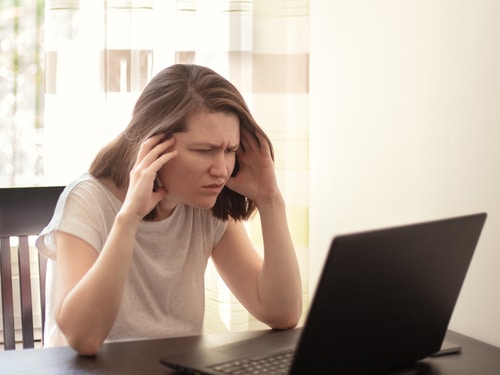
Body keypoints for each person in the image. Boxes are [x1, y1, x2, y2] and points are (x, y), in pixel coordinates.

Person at [36, 63, 302, 356]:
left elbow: (282, 313)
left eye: (229, 150)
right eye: (205, 150)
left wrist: (270, 200)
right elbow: (83, 338)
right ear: (154, 145)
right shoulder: (87, 200)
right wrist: (129, 218)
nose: (222, 170)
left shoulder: (203, 204)